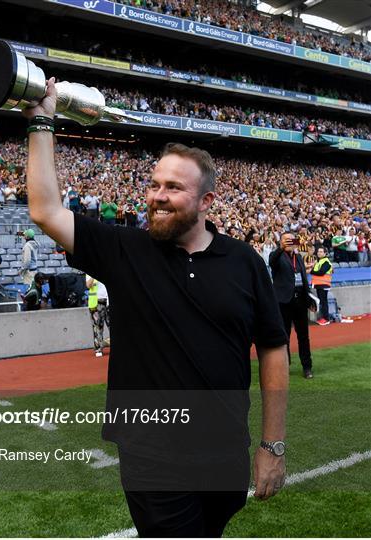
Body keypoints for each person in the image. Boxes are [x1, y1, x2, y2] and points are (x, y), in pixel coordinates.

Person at [22, 78, 289, 538]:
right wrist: (42, 122)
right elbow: (46, 210)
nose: (157, 195)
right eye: (153, 184)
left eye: (173, 187)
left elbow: (272, 350)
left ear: (207, 201)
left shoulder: (244, 262)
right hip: (152, 456)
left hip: (226, 452)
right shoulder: (126, 249)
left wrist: (273, 444)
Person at [269, 232, 315, 379]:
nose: (289, 242)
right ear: (281, 242)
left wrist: (309, 298)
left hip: (300, 301)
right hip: (284, 302)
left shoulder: (299, 257)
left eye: (291, 240)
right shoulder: (276, 256)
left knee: (303, 336)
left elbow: (303, 278)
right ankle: (284, 366)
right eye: (286, 240)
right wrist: (281, 248)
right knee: (284, 336)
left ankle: (307, 367)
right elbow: (272, 262)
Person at [86, 274, 110, 357]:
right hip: (96, 303)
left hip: (108, 302)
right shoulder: (89, 272)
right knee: (97, 327)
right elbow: (88, 285)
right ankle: (98, 349)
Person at [310, 247, 333, 326]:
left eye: (321, 252)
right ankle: (323, 318)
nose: (319, 253)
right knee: (321, 302)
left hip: (324, 284)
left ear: (325, 253)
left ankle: (326, 319)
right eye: (318, 251)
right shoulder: (319, 262)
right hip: (319, 285)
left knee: (324, 302)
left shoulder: (326, 262)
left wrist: (311, 271)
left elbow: (321, 272)